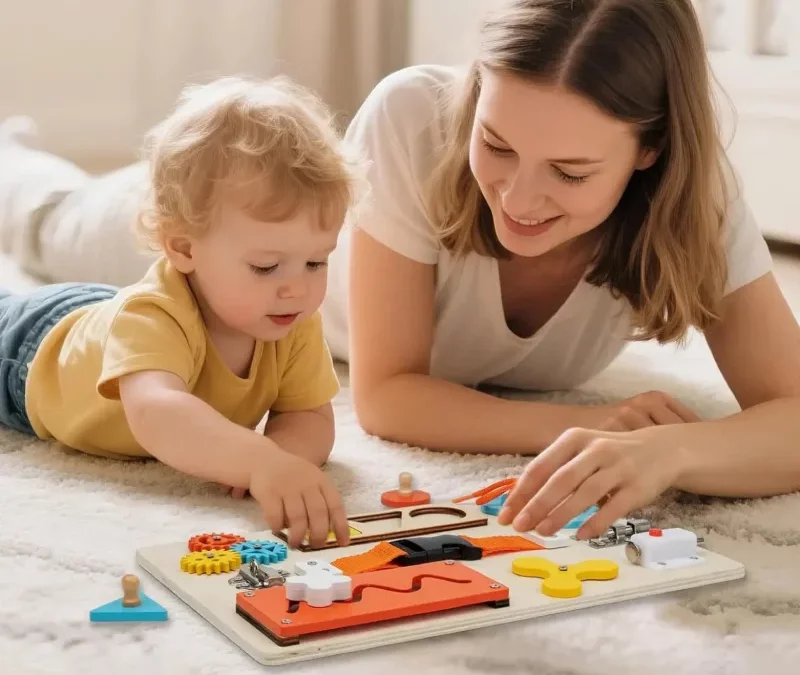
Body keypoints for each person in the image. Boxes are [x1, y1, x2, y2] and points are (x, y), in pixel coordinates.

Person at [320, 0, 800, 540]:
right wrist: (597, 423)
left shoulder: (694, 195)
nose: (518, 200)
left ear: (651, 150)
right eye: (496, 145)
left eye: (570, 174)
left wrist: (672, 450)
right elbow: (389, 395)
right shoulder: (411, 115)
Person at [0, 76, 364, 549]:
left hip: (102, 316)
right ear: (184, 248)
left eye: (317, 261)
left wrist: (284, 458)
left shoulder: (291, 320)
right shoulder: (155, 315)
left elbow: (309, 414)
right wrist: (256, 460)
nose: (297, 287)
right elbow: (157, 412)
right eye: (266, 266)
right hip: (32, 350)